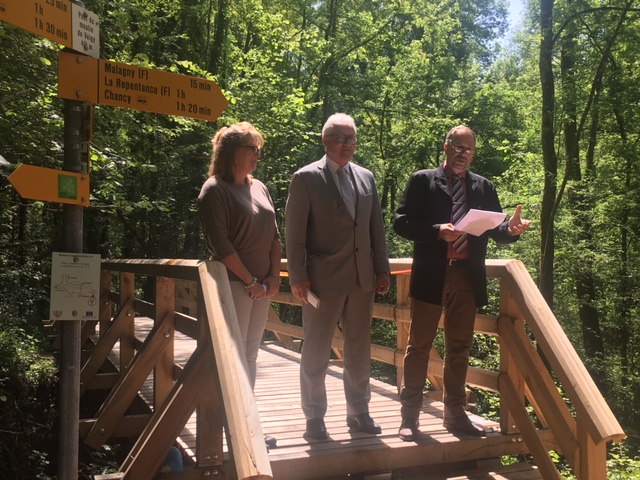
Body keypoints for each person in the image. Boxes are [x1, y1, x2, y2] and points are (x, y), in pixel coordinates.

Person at [394, 125, 531, 441]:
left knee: (459, 347)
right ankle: (409, 417)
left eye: (468, 149)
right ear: (446, 147)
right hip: (431, 275)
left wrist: (510, 230)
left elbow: (495, 231)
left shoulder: (483, 187)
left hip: (466, 277)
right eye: (457, 147)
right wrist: (435, 231)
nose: (462, 154)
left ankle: (455, 415)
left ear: (473, 153)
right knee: (418, 347)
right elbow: (401, 223)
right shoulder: (423, 181)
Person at [285, 113, 391, 440]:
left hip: (362, 281)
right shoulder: (306, 179)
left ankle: (359, 413)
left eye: (352, 138)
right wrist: (298, 276)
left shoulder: (366, 178)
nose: (348, 144)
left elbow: (375, 228)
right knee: (316, 350)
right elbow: (295, 234)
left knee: (359, 350)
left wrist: (382, 269)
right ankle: (314, 418)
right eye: (341, 138)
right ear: (325, 140)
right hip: (322, 281)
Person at [198, 122, 281, 448]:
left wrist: (272, 279)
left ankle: (247, 426)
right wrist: (251, 281)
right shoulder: (214, 190)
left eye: (259, 149)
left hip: (261, 288)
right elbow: (220, 244)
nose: (258, 155)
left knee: (249, 355)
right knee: (232, 357)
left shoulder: (259, 186)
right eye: (252, 148)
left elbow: (274, 237)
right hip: (234, 285)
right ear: (232, 153)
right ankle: (230, 428)